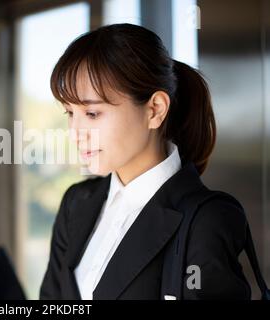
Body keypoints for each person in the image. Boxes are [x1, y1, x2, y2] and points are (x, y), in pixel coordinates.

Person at [40, 24, 252, 300]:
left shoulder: (206, 219)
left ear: (155, 110)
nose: (76, 132)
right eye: (70, 112)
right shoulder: (76, 203)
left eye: (92, 113)